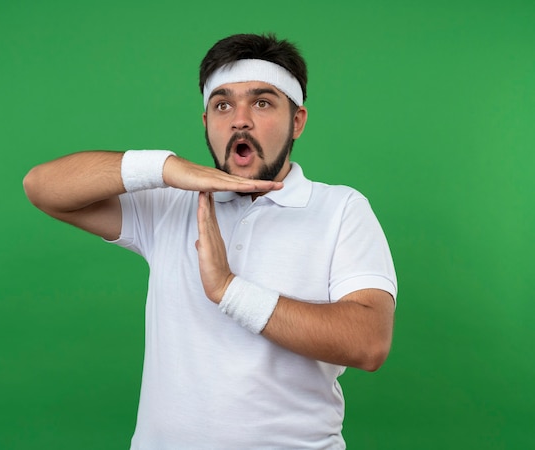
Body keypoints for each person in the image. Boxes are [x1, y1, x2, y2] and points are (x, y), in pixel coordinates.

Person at [23, 33, 397, 449]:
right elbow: (42, 187)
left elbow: (369, 342)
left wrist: (230, 290)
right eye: (222, 105)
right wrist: (165, 168)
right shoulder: (170, 204)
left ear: (297, 121)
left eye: (262, 102)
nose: (240, 119)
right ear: (206, 123)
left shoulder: (340, 208)